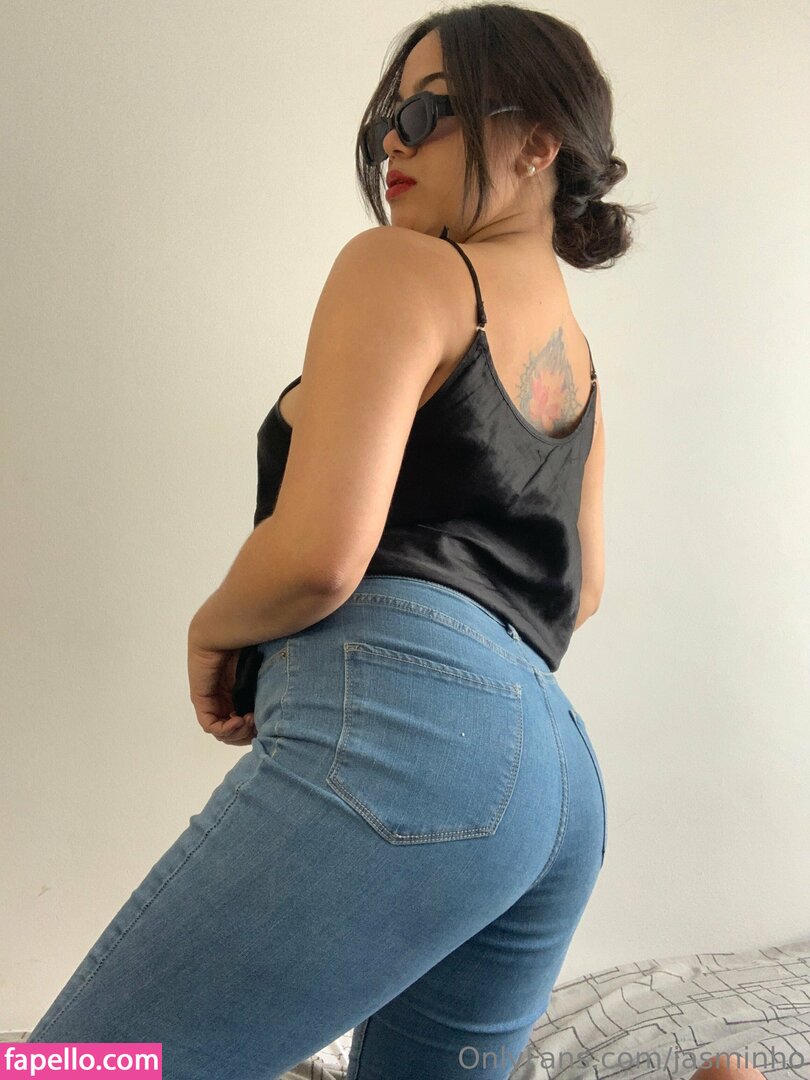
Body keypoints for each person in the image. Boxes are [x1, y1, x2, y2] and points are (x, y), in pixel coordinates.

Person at [26, 5, 645, 1077]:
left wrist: (212, 627)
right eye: (386, 121)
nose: (395, 140)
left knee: (75, 1067)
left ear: (538, 141)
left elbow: (321, 552)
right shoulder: (582, 371)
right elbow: (582, 591)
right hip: (561, 785)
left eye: (429, 112)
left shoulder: (400, 270)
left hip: (419, 734)